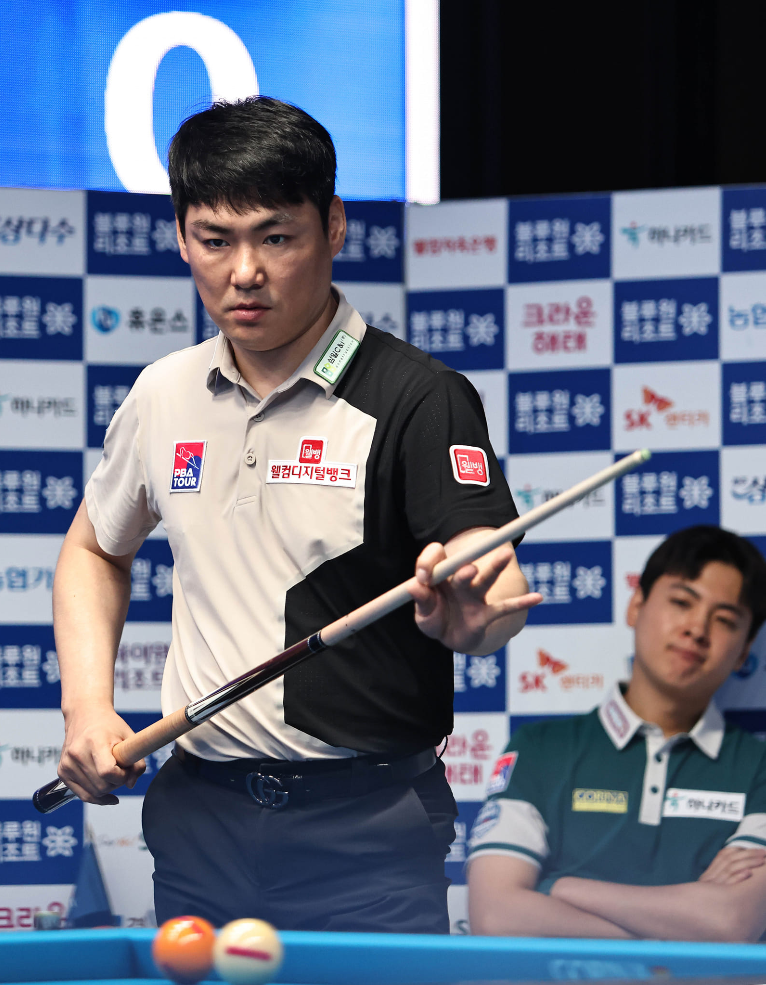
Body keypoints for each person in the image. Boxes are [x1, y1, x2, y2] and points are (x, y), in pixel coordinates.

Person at [53, 97, 540, 933]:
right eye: (215, 239)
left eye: (276, 237)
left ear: (333, 226)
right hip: (199, 818)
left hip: (366, 828)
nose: (245, 271)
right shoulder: (163, 393)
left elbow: (486, 578)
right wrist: (87, 708)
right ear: (181, 239)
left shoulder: (419, 397)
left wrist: (474, 618)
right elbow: (94, 550)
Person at [467, 525, 766, 942]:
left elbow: (730, 923)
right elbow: (495, 917)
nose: (697, 629)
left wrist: (562, 887)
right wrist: (677, 930)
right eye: (682, 602)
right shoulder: (540, 750)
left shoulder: (758, 769)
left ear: (744, 650)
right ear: (636, 606)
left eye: (725, 620)